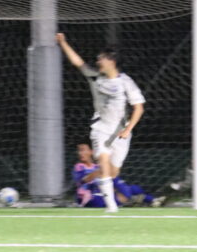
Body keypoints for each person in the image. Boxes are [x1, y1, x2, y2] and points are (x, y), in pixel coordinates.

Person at [57, 33, 145, 213]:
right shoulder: (96, 77)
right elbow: (78, 62)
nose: (98, 62)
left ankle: (94, 179)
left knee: (113, 172)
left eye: (101, 59)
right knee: (103, 161)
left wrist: (128, 129)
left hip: (120, 132)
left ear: (111, 61)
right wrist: (63, 42)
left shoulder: (125, 82)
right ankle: (111, 206)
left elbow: (139, 108)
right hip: (101, 128)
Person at [72, 143, 164, 208]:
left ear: (91, 151)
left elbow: (108, 180)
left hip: (102, 192)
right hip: (90, 197)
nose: (80, 153)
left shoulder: (96, 166)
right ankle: (133, 200)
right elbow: (85, 180)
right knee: (107, 198)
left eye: (83, 150)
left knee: (135, 188)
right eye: (79, 150)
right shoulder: (79, 167)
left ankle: (152, 200)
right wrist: (101, 170)